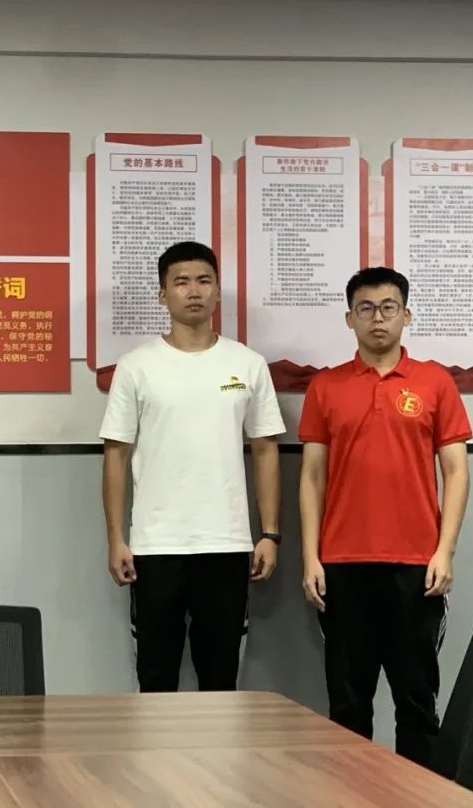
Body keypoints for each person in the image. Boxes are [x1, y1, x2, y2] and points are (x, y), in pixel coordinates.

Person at [299, 266, 472, 766]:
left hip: (416, 568)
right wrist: (311, 558)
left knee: (416, 703)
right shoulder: (326, 386)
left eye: (388, 308)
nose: (378, 319)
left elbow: (456, 472)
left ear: (406, 315)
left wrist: (445, 551)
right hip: (342, 567)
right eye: (366, 309)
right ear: (350, 318)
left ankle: (417, 797)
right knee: (347, 706)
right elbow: (311, 478)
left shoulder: (435, 382)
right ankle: (352, 796)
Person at [99, 241, 285, 693]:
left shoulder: (247, 364)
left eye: (204, 281)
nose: (194, 291)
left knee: (220, 679)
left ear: (217, 291)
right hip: (155, 545)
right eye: (181, 282)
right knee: (155, 678)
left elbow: (265, 449)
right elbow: (116, 455)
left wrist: (270, 533)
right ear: (162, 294)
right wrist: (116, 538)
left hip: (227, 544)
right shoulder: (136, 367)